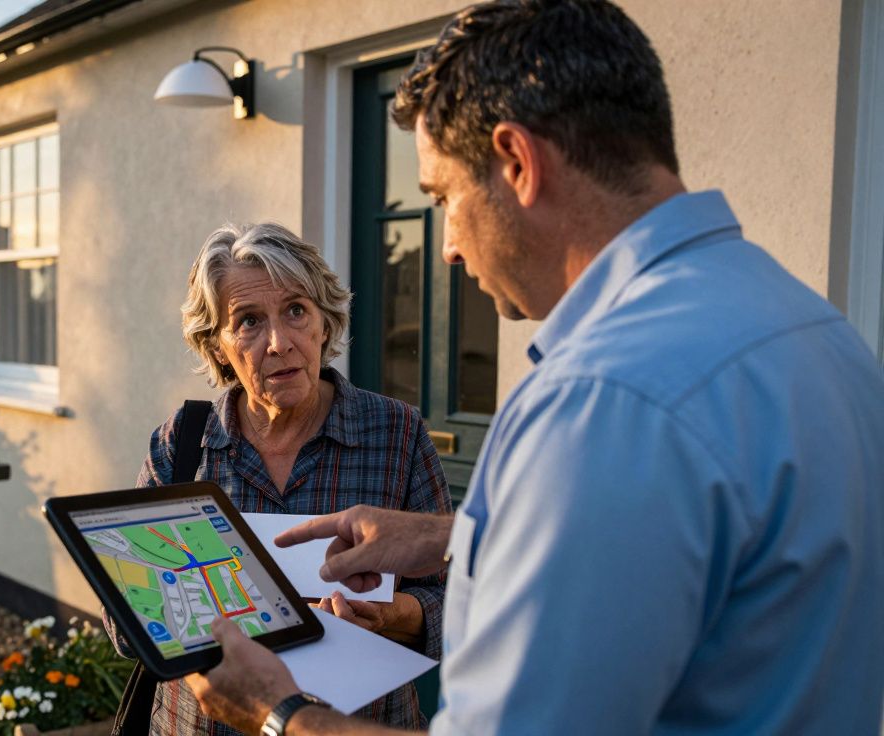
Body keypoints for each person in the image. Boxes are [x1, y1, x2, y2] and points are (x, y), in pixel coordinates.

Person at [183, 1, 884, 734]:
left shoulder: (601, 401)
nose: (447, 246)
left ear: (517, 163)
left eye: (443, 197)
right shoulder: (814, 330)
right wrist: (449, 538)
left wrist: (278, 712)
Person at [103, 222, 452, 734]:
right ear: (217, 345)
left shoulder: (395, 434)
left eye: (295, 311)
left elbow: (459, 602)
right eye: (247, 321)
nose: (278, 342)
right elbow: (124, 626)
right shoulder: (181, 444)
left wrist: (393, 614)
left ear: (324, 323)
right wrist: (206, 609)